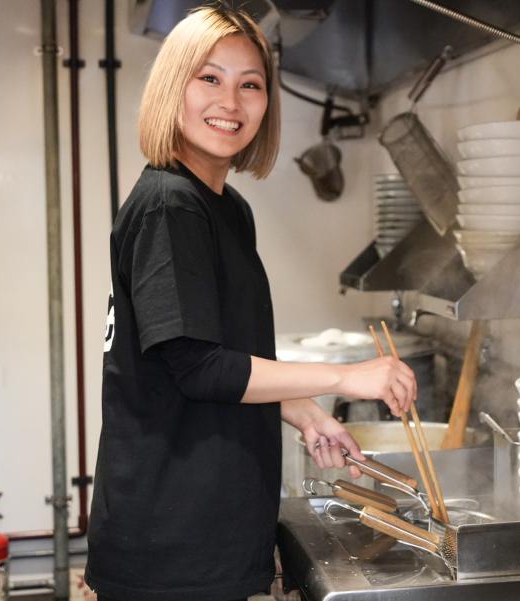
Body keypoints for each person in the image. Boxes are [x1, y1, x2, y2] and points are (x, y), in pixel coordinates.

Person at [85, 6, 417, 601]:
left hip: (207, 527)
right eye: (209, 78)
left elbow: (219, 351)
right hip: (172, 547)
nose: (231, 103)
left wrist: (304, 409)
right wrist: (348, 375)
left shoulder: (224, 207)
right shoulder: (170, 205)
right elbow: (197, 367)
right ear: (172, 88)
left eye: (251, 85)